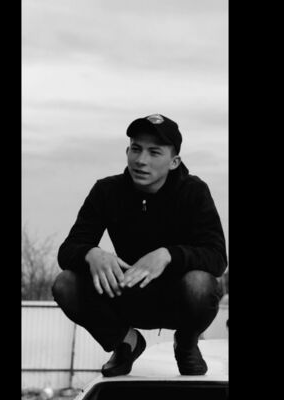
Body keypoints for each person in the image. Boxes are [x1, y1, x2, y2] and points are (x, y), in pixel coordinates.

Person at [52, 114, 227, 377]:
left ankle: (187, 342)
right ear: (127, 152)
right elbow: (67, 250)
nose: (141, 160)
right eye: (136, 149)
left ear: (174, 162)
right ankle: (126, 342)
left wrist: (168, 255)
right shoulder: (106, 191)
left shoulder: (194, 191)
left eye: (154, 152)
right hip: (126, 294)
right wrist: (91, 253)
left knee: (201, 285)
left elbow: (217, 257)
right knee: (65, 283)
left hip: (177, 299)